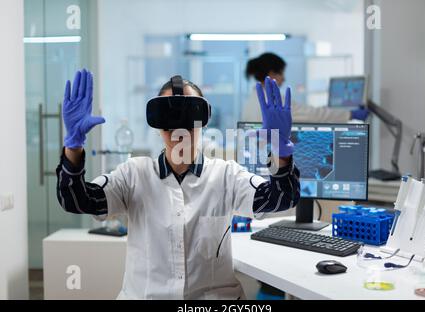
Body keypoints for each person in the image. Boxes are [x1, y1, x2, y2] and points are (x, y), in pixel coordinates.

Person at [56, 69, 300, 299]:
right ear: (157, 123)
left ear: (204, 121)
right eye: (170, 115)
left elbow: (281, 198)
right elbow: (76, 200)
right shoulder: (133, 175)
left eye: (190, 113)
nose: (180, 125)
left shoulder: (226, 176)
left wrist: (280, 152)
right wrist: (74, 146)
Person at [241, 52, 369, 123]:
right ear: (272, 74)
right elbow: (313, 115)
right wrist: (350, 114)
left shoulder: (252, 101)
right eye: (282, 73)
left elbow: (307, 113)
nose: (284, 78)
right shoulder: (275, 101)